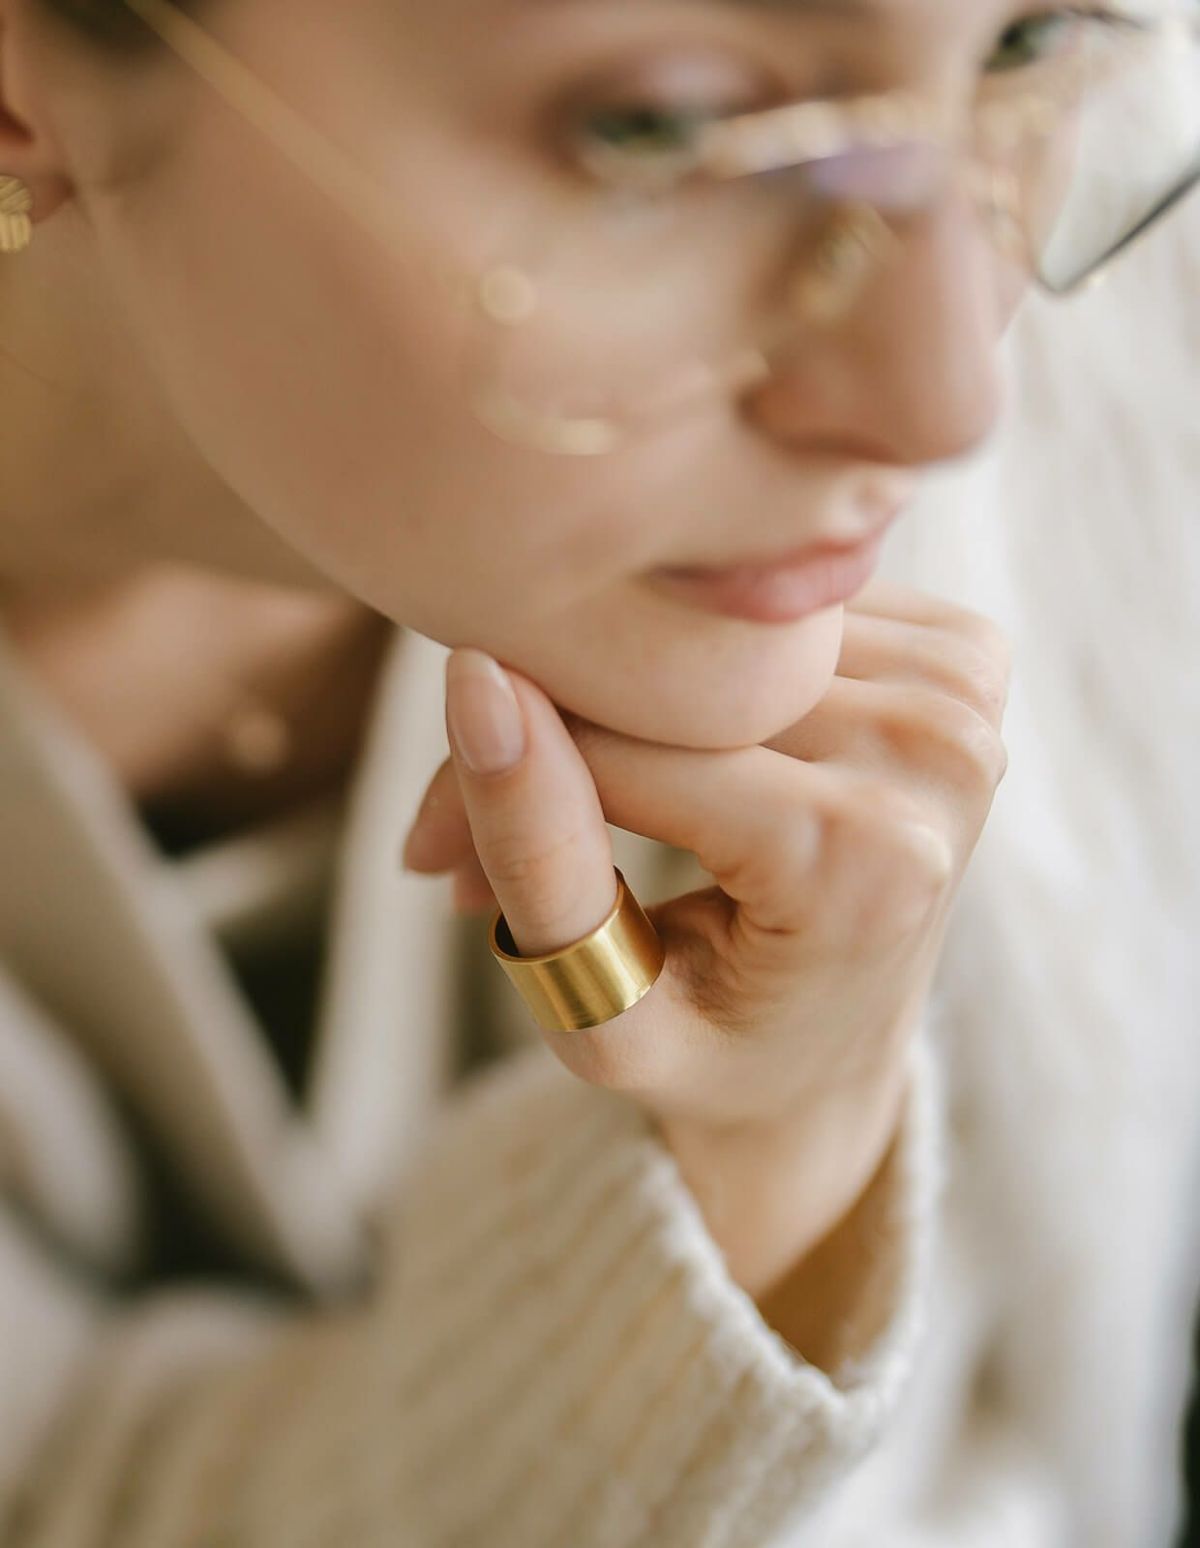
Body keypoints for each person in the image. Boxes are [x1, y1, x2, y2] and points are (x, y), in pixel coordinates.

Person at [0, 0, 1197, 1542]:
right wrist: (762, 1176)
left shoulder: (1135, 360)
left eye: (1028, 43)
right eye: (663, 130)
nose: (952, 398)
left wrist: (793, 1158)